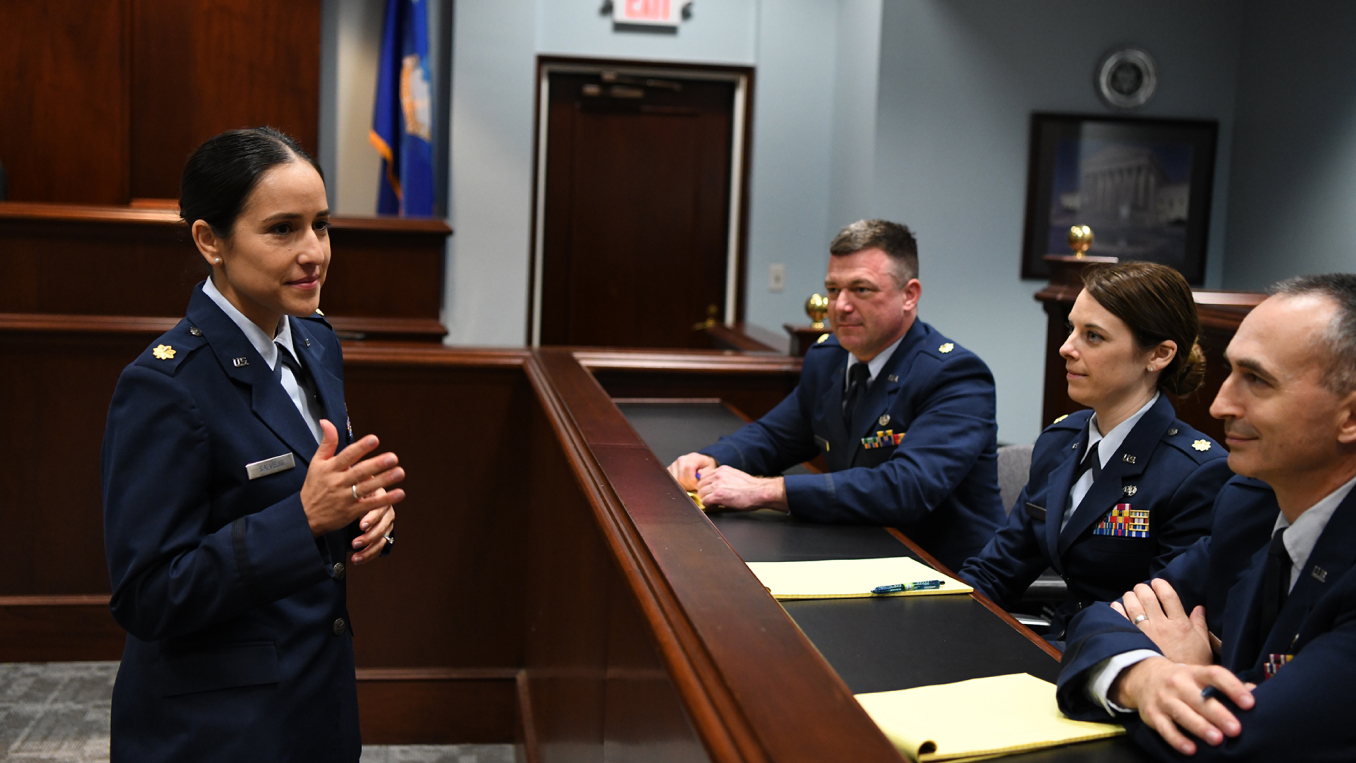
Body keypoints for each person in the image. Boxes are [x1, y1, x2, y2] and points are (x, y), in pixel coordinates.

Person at [101, 128, 404, 762]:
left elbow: (315, 482)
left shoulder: (316, 341)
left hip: (313, 699)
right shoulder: (165, 384)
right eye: (282, 230)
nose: (313, 252)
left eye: (320, 226)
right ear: (210, 240)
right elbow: (147, 595)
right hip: (218, 728)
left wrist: (362, 513)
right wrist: (303, 519)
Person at [1056, 274, 1356, 760]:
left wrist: (1194, 678)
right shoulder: (1249, 503)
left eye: (1256, 380)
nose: (1219, 404)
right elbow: (1103, 618)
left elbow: (1232, 744)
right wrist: (1145, 675)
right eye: (1230, 372)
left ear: (1350, 418)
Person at [666, 219, 1002, 570]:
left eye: (861, 290)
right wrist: (713, 460)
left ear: (909, 295)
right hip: (858, 553)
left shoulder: (953, 375)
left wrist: (766, 491)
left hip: (944, 576)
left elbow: (906, 488)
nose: (840, 306)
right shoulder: (829, 358)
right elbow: (775, 436)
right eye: (833, 290)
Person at [960, 262, 1231, 643]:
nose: (1066, 347)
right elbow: (1000, 567)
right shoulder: (1061, 440)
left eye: (1093, 336)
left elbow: (1155, 617)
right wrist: (942, 615)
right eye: (1073, 329)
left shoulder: (1197, 472)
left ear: (1159, 354)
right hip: (1055, 644)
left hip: (1118, 662)